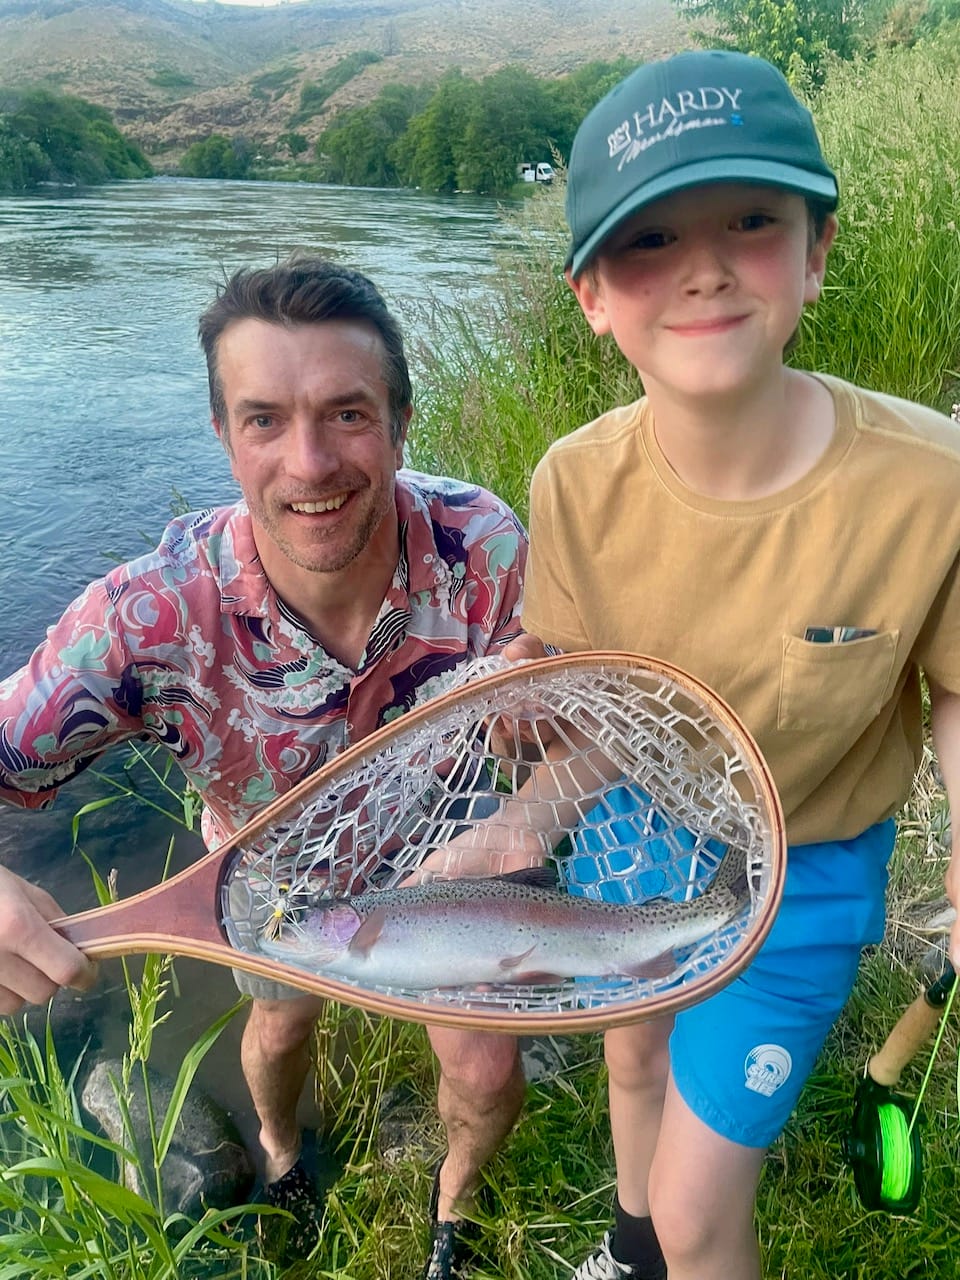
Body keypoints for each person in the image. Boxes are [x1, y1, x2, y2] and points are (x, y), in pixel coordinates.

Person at [514, 49, 960, 1280]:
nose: (705, 266)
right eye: (649, 242)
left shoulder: (933, 482)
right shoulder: (571, 480)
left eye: (753, 222)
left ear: (816, 253)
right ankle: (624, 1243)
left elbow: (955, 687)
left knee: (708, 1211)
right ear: (593, 296)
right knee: (633, 1048)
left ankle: (676, 1240)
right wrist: (516, 822)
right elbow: (590, 699)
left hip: (808, 862)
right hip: (634, 823)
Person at [0, 253, 532, 1273]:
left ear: (402, 418)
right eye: (265, 420)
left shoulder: (483, 544)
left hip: (445, 861)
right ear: (222, 435)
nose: (310, 461)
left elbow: (542, 712)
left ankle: (451, 1222)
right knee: (280, 1030)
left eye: (347, 413)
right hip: (263, 881)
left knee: (486, 1066)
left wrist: (526, 776)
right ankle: (283, 1154)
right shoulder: (148, 616)